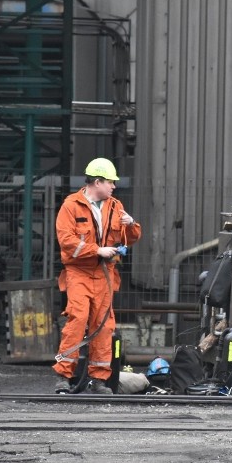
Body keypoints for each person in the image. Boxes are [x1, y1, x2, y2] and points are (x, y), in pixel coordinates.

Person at [52, 158, 142, 394]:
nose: (113, 186)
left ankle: (98, 380)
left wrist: (132, 224)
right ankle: (63, 376)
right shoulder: (71, 206)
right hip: (79, 272)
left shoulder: (115, 206)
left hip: (105, 274)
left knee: (103, 327)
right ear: (97, 182)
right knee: (78, 319)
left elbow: (130, 238)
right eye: (110, 182)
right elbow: (66, 241)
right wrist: (97, 250)